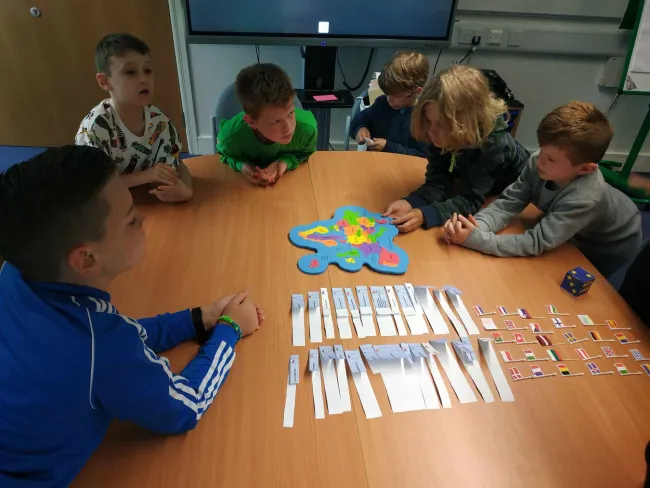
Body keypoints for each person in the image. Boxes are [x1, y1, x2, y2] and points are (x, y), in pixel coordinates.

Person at [0, 146, 264, 487]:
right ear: (87, 260)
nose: (143, 219)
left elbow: (111, 338)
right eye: (130, 219)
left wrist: (197, 318)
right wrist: (230, 328)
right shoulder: (101, 346)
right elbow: (185, 407)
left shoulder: (15, 273)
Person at [442, 101, 642, 279]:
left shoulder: (586, 199)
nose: (540, 160)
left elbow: (536, 242)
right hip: (574, 221)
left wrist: (477, 240)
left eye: (551, 159)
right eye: (542, 149)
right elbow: (508, 203)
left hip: (609, 243)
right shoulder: (539, 161)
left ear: (584, 169)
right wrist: (477, 226)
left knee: (580, 284)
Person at [383, 65, 529, 233]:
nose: (431, 132)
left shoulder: (494, 144)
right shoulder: (438, 133)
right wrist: (411, 202)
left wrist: (426, 214)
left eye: (440, 124)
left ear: (464, 124)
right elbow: (438, 182)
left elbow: (471, 199)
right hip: (471, 179)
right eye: (429, 121)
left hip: (515, 193)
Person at [76, 33, 193, 203]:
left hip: (147, 202)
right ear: (104, 82)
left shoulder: (158, 121)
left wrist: (186, 190)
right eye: (130, 72)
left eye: (148, 70)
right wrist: (146, 176)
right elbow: (93, 187)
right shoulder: (96, 128)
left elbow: (177, 164)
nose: (143, 79)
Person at [217, 63, 317, 186]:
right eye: (276, 121)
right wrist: (243, 166)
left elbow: (304, 153)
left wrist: (284, 163)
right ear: (251, 122)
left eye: (290, 113)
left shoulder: (307, 129)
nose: (289, 128)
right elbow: (226, 155)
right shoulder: (230, 138)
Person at [349, 51, 428, 157]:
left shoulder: (423, 118)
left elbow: (423, 156)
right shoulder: (382, 104)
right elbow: (358, 121)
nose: (389, 100)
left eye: (396, 96)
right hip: (374, 161)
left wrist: (389, 147)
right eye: (387, 94)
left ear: (416, 92)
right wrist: (360, 129)